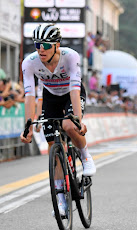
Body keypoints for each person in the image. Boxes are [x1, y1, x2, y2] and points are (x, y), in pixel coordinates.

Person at [20, 23, 96, 216]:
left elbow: (74, 88)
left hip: (71, 94)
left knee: (69, 125)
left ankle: (86, 157)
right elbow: (29, 95)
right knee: (53, 144)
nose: (41, 49)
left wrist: (77, 118)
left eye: (46, 45)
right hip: (51, 97)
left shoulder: (70, 56)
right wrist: (28, 124)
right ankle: (61, 200)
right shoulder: (29, 62)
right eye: (37, 45)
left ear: (57, 45)